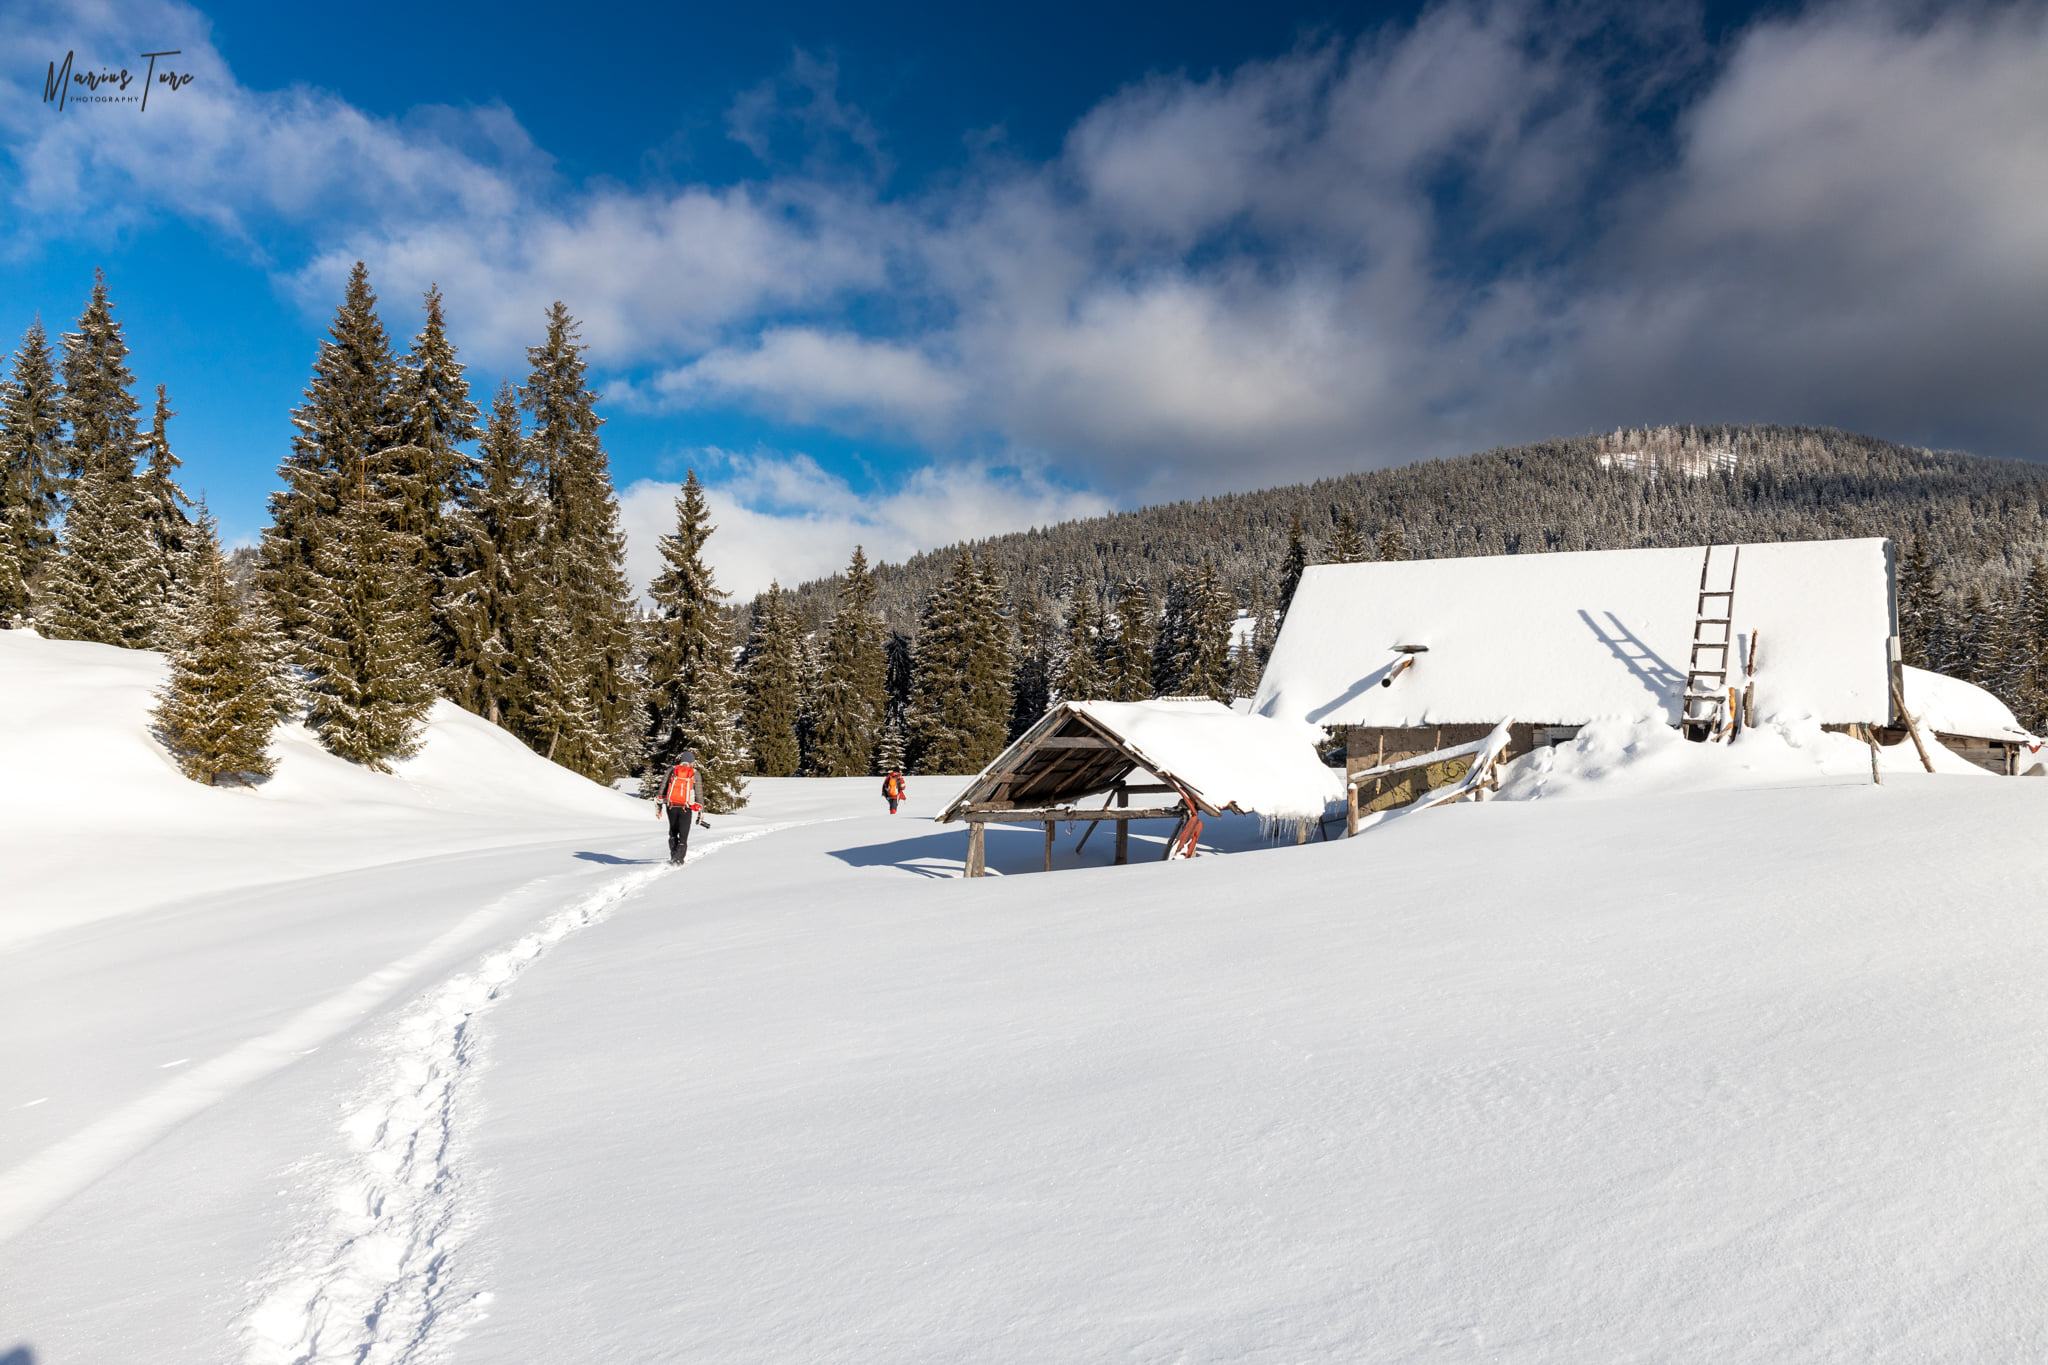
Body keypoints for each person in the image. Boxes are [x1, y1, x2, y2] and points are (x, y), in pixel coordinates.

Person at [657, 751, 704, 864]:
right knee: (683, 835)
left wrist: (659, 807)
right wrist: (701, 811)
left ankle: (674, 856)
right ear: (692, 762)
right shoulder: (695, 773)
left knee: (673, 832)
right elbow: (699, 793)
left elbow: (662, 788)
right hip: (686, 807)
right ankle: (679, 860)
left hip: (671, 806)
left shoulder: (672, 770)